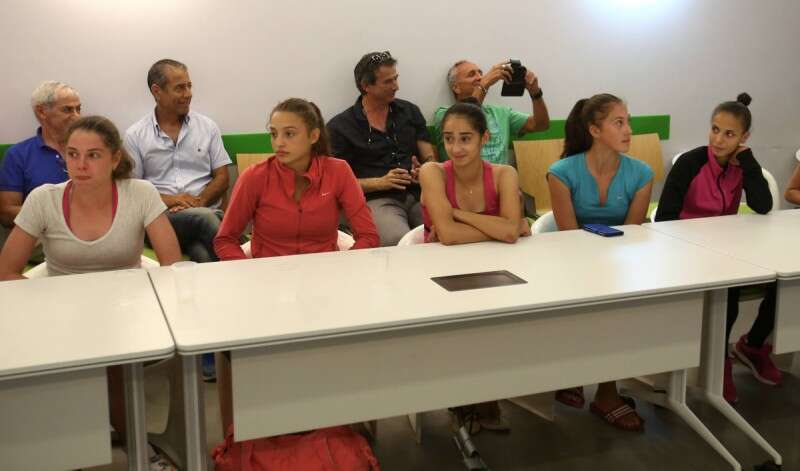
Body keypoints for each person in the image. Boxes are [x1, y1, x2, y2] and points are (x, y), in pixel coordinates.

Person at [0, 115, 182, 470]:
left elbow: (171, 265)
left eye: (93, 155)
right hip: (63, 310)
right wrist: (49, 307)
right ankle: (76, 449)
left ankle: (138, 451)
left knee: (109, 364)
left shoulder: (139, 193)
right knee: (53, 367)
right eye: (72, 154)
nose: (80, 165)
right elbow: (7, 272)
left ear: (115, 159)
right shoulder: (44, 199)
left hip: (127, 308)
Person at [214, 98, 379, 431]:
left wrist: (341, 271)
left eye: (289, 134)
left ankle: (343, 416)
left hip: (326, 290)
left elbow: (368, 236)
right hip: (268, 292)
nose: (278, 142)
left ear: (314, 136)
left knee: (359, 337)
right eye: (273, 133)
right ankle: (255, 422)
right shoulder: (255, 177)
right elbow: (225, 240)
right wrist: (252, 275)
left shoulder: (338, 172)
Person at [655, 93, 780, 404]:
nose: (718, 140)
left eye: (729, 134)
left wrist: (748, 162)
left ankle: (731, 354)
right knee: (724, 291)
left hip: (724, 250)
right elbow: (666, 216)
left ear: (743, 138)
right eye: (714, 129)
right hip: (684, 249)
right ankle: (701, 360)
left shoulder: (743, 165)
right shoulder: (691, 163)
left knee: (753, 288)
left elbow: (763, 205)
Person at [419, 99, 529, 433]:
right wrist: (501, 226)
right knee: (460, 327)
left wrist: (458, 214)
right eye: (448, 139)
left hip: (498, 270)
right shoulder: (432, 172)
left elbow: (506, 233)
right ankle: (464, 398)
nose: (456, 148)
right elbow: (450, 236)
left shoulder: (504, 173)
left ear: (484, 138)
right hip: (437, 276)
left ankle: (484, 392)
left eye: (465, 138)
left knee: (500, 323)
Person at [547, 93, 653, 431]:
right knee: (594, 299)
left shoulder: (642, 173)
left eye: (628, 122)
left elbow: (632, 235)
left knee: (618, 301)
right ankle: (581, 374)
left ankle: (605, 391)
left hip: (620, 261)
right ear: (594, 130)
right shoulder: (561, 172)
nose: (628, 130)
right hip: (572, 262)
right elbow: (569, 238)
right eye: (618, 123)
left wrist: (611, 270)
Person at [125, 58, 232, 263]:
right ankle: (242, 264)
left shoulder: (207, 127)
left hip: (205, 210)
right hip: (161, 220)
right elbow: (133, 191)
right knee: (206, 219)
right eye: (180, 88)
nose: (188, 94)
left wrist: (198, 203)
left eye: (189, 86)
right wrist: (173, 200)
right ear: (157, 91)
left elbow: (222, 177)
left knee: (202, 253)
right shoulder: (135, 135)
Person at [328, 51, 435, 246]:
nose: (396, 86)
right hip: (377, 199)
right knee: (396, 241)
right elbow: (335, 184)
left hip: (419, 194)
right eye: (388, 82)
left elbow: (429, 155)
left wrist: (426, 170)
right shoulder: (340, 127)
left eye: (396, 78)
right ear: (366, 86)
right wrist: (380, 182)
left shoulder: (410, 112)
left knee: (442, 230)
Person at [0, 81, 81, 256]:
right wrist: (58, 216)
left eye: (78, 109)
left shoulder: (90, 149)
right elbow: (6, 213)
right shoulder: (19, 154)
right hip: (44, 236)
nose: (77, 116)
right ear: (42, 112)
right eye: (67, 110)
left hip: (91, 229)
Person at [432, 60, 550, 164]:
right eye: (471, 74)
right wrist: (484, 84)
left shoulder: (501, 112)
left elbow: (541, 125)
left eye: (480, 73)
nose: (480, 77)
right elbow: (465, 120)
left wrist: (535, 93)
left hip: (501, 179)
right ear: (456, 87)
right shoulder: (445, 115)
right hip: (463, 180)